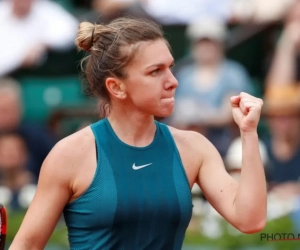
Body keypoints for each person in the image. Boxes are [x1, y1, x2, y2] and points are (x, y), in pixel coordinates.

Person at [9, 17, 267, 250]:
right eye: (155, 71)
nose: (173, 81)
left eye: (170, 67)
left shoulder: (194, 147)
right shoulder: (70, 154)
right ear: (116, 87)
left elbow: (250, 219)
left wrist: (249, 133)